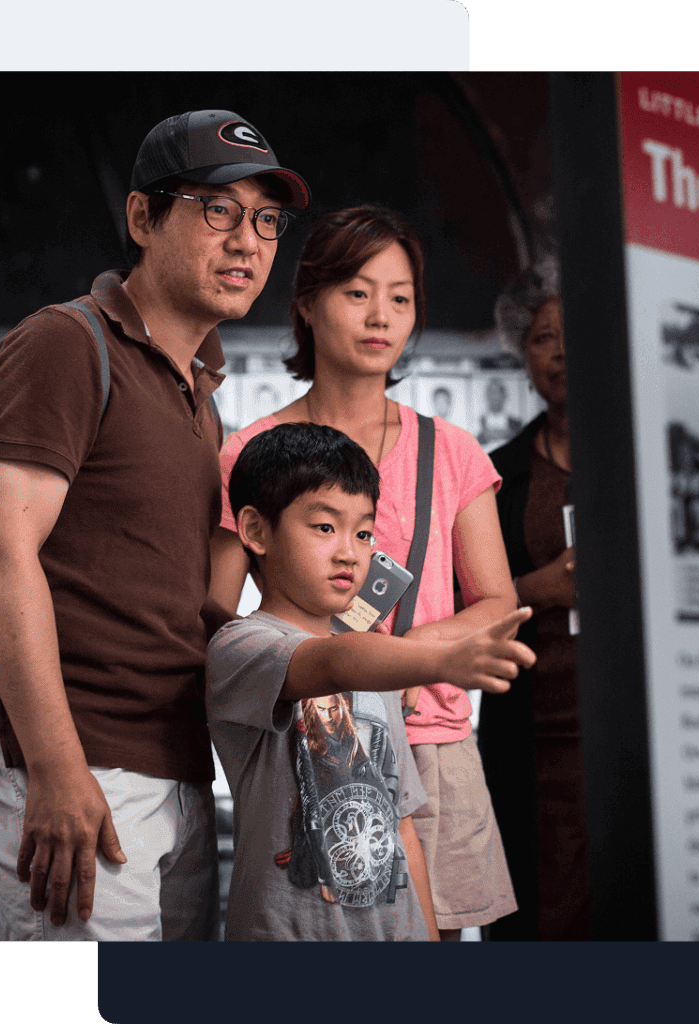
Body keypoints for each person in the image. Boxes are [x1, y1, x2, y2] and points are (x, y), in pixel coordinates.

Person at [0, 109, 310, 941]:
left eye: (267, 220)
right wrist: (54, 767)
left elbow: (189, 602)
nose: (248, 242)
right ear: (141, 218)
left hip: (177, 771)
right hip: (77, 770)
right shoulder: (66, 343)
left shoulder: (202, 394)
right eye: (217, 209)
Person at [208, 205, 520, 940]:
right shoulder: (251, 449)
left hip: (433, 738)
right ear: (308, 303)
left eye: (400, 296)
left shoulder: (452, 449)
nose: (381, 314)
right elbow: (217, 606)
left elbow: (497, 599)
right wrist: (332, 667)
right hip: (314, 736)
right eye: (356, 291)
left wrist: (408, 664)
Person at [205, 422, 534, 940]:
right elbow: (333, 661)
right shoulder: (241, 646)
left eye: (364, 533)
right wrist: (441, 659)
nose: (350, 552)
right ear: (256, 530)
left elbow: (404, 825)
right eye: (324, 528)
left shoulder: (378, 665)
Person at [478, 255, 592, 940]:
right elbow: (461, 602)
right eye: (542, 337)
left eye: (573, 331)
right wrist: (537, 589)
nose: (560, 350)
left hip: (621, 725)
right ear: (521, 352)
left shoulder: (643, 459)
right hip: (530, 727)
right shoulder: (497, 475)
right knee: (534, 909)